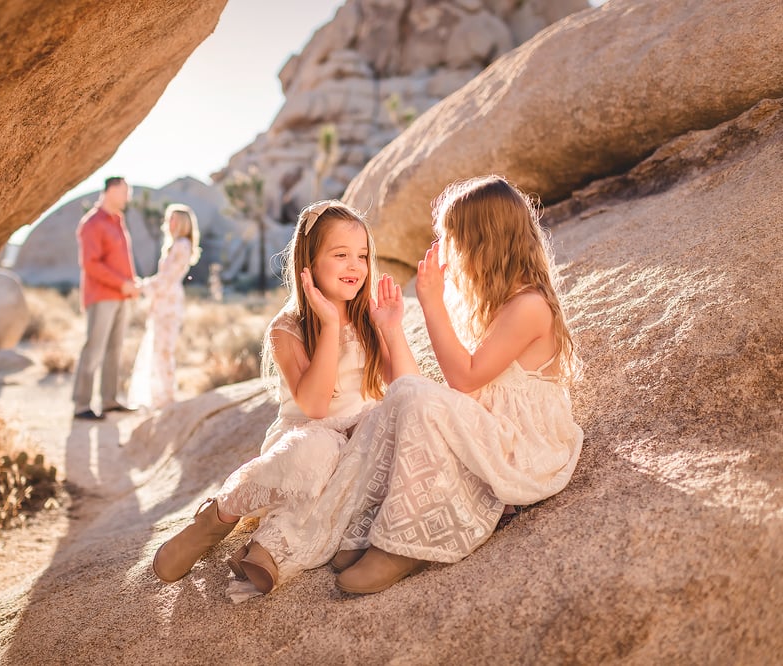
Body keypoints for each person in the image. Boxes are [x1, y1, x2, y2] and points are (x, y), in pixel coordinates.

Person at [331, 175, 584, 594]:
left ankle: (403, 543)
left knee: (415, 397)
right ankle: (366, 522)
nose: (447, 252)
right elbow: (417, 393)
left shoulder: (530, 306)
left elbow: (462, 380)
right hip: (493, 432)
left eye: (452, 240)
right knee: (399, 399)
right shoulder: (499, 306)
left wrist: (431, 304)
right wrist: (391, 330)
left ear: (483, 242)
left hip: (522, 448)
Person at [151, 200, 417, 597]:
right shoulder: (288, 328)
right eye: (340, 255)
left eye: (362, 255)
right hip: (306, 439)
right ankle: (222, 514)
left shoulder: (369, 318)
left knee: (365, 456)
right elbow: (315, 408)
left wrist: (392, 331)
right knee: (320, 451)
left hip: (357, 441)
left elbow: (408, 389)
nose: (355, 266)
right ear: (308, 262)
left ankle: (265, 550)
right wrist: (328, 324)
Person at [71, 176, 141, 420]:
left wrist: (131, 283)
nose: (127, 197)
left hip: (122, 296)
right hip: (102, 295)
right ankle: (81, 405)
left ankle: (110, 400)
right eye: (124, 191)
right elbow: (91, 265)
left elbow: (121, 261)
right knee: (94, 348)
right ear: (110, 191)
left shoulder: (118, 221)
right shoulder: (92, 223)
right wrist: (122, 284)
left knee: (115, 349)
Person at [127, 204, 201, 410]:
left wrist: (142, 286)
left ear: (184, 223)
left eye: (174, 219)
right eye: (169, 218)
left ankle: (167, 396)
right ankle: (160, 395)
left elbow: (167, 279)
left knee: (164, 350)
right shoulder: (175, 245)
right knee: (159, 349)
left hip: (168, 303)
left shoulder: (182, 245)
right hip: (163, 302)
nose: (170, 223)